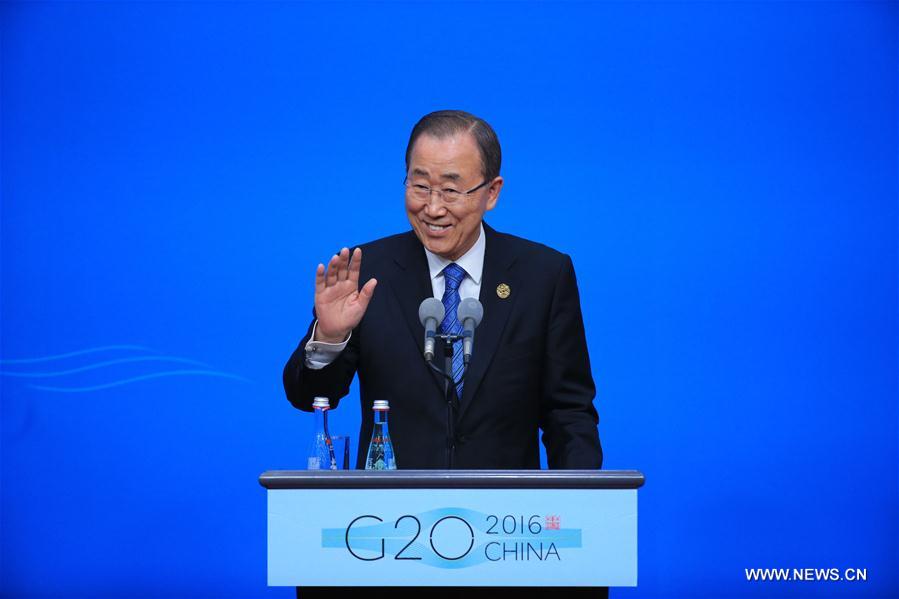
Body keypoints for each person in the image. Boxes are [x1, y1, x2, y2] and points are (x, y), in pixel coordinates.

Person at [283, 110, 602, 471]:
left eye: (450, 190)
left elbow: (569, 414)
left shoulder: (543, 275)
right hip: (391, 517)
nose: (432, 208)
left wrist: (581, 505)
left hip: (508, 518)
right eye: (420, 186)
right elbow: (307, 396)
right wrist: (329, 336)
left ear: (492, 192)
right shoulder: (369, 272)